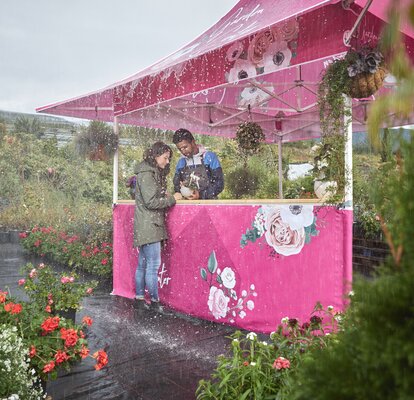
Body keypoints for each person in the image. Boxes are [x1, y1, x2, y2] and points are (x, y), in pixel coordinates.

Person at [133, 141, 182, 312]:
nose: (167, 161)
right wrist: (173, 199)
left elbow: (150, 196)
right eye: (165, 158)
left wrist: (163, 193)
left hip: (146, 224)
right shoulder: (147, 174)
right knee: (152, 266)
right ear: (155, 156)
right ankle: (154, 302)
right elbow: (151, 202)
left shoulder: (148, 171)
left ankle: (139, 299)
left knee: (142, 265)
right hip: (150, 226)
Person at [172, 128, 224, 199]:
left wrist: (201, 195)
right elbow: (176, 185)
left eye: (185, 147)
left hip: (209, 203)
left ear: (193, 142)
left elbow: (219, 184)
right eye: (180, 149)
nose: (183, 151)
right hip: (189, 204)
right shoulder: (181, 162)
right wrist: (181, 188)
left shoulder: (209, 157)